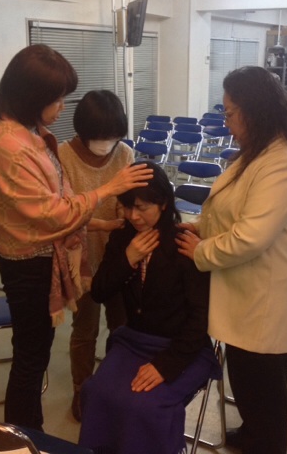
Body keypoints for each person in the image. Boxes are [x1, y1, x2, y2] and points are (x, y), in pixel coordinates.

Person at [0, 44, 152, 431]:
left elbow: (61, 201)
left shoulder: (28, 135)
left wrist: (109, 223)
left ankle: (35, 431)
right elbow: (53, 213)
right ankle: (25, 439)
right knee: (31, 359)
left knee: (36, 355)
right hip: (31, 265)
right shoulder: (12, 147)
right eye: (57, 99)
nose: (61, 108)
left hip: (57, 256)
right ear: (32, 97)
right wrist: (108, 191)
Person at [176, 66, 287, 454]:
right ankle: (254, 433)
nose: (226, 122)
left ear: (253, 111)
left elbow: (251, 236)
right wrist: (200, 227)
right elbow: (232, 211)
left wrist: (200, 251)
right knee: (246, 382)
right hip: (246, 291)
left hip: (266, 297)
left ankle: (265, 442)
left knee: (262, 389)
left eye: (230, 113)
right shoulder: (257, 152)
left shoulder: (282, 161)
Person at [78, 161, 221, 454]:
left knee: (145, 405)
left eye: (142, 207)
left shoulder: (183, 244)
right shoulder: (123, 238)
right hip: (134, 341)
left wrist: (166, 365)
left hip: (183, 348)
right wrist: (128, 258)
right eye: (127, 208)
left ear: (163, 203)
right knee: (96, 391)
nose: (133, 216)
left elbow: (199, 318)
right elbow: (100, 291)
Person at [58, 89, 134, 421]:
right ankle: (82, 389)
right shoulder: (63, 157)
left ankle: (115, 386)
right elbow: (63, 214)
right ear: (83, 130)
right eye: (100, 136)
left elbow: (129, 203)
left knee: (122, 326)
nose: (106, 144)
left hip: (117, 257)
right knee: (85, 329)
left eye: (113, 136)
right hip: (82, 260)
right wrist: (102, 224)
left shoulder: (124, 154)